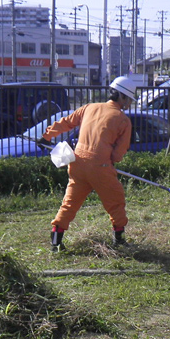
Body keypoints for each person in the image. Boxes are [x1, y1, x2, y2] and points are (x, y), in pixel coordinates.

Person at [41, 76, 137, 251]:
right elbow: (118, 153)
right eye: (129, 99)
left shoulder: (89, 108)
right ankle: (120, 240)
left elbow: (67, 122)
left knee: (70, 202)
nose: (129, 103)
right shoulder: (123, 119)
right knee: (115, 200)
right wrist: (113, 161)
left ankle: (56, 242)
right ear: (122, 97)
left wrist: (47, 136)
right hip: (100, 167)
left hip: (77, 163)